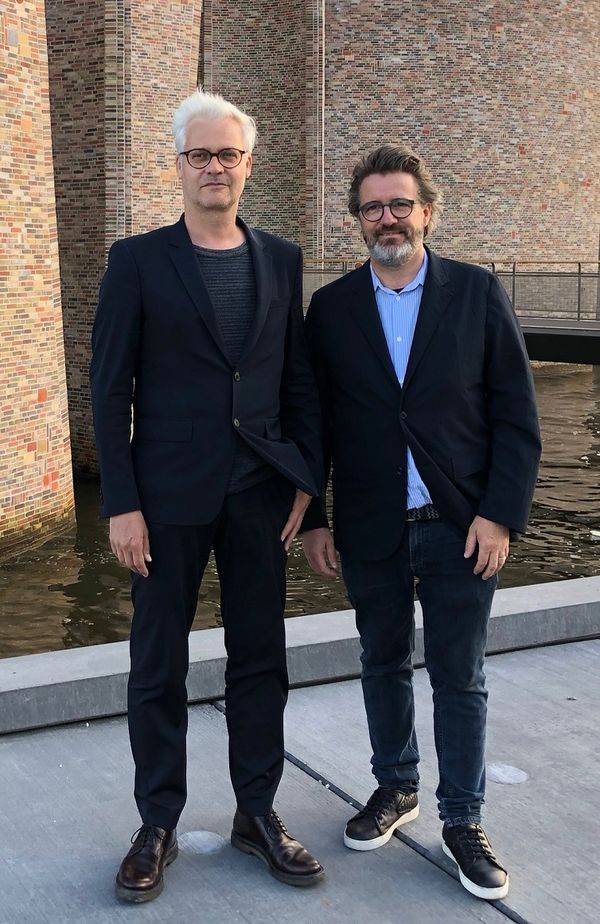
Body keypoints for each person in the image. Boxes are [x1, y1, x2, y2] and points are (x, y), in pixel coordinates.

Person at [90, 89, 325, 902]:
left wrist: (307, 483)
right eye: (200, 154)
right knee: (157, 664)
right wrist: (121, 504)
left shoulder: (282, 258)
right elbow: (108, 388)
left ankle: (256, 813)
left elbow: (298, 381)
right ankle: (157, 822)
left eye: (228, 154)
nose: (214, 167)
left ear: (248, 165)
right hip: (163, 500)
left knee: (262, 660)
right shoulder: (137, 260)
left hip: (260, 493)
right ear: (180, 166)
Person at [301, 144, 541, 901]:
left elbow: (516, 417)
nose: (387, 218)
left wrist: (499, 515)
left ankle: (463, 819)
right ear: (358, 220)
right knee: (380, 661)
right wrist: (316, 519)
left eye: (399, 204)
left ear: (426, 212)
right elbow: (317, 424)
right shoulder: (331, 309)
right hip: (370, 523)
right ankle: (395, 786)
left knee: (459, 676)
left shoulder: (476, 292)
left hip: (460, 524)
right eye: (372, 207)